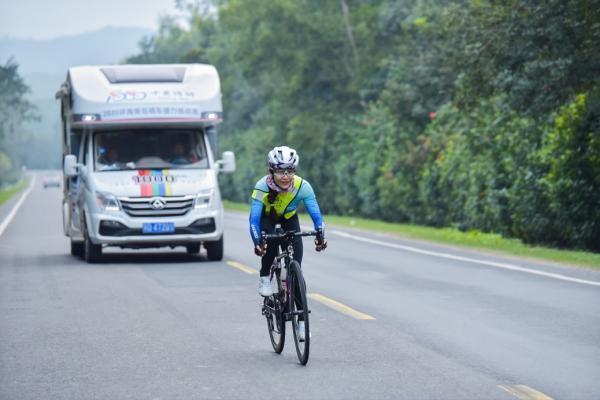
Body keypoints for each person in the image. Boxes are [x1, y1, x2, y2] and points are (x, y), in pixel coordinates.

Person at [249, 146, 327, 339]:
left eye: (290, 171)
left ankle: (302, 323)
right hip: (267, 219)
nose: (285, 176)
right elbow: (253, 219)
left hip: (289, 219)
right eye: (280, 171)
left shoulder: (303, 187)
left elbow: (316, 215)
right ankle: (265, 276)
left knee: (296, 271)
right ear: (271, 171)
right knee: (270, 243)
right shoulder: (261, 187)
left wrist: (320, 235)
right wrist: (258, 240)